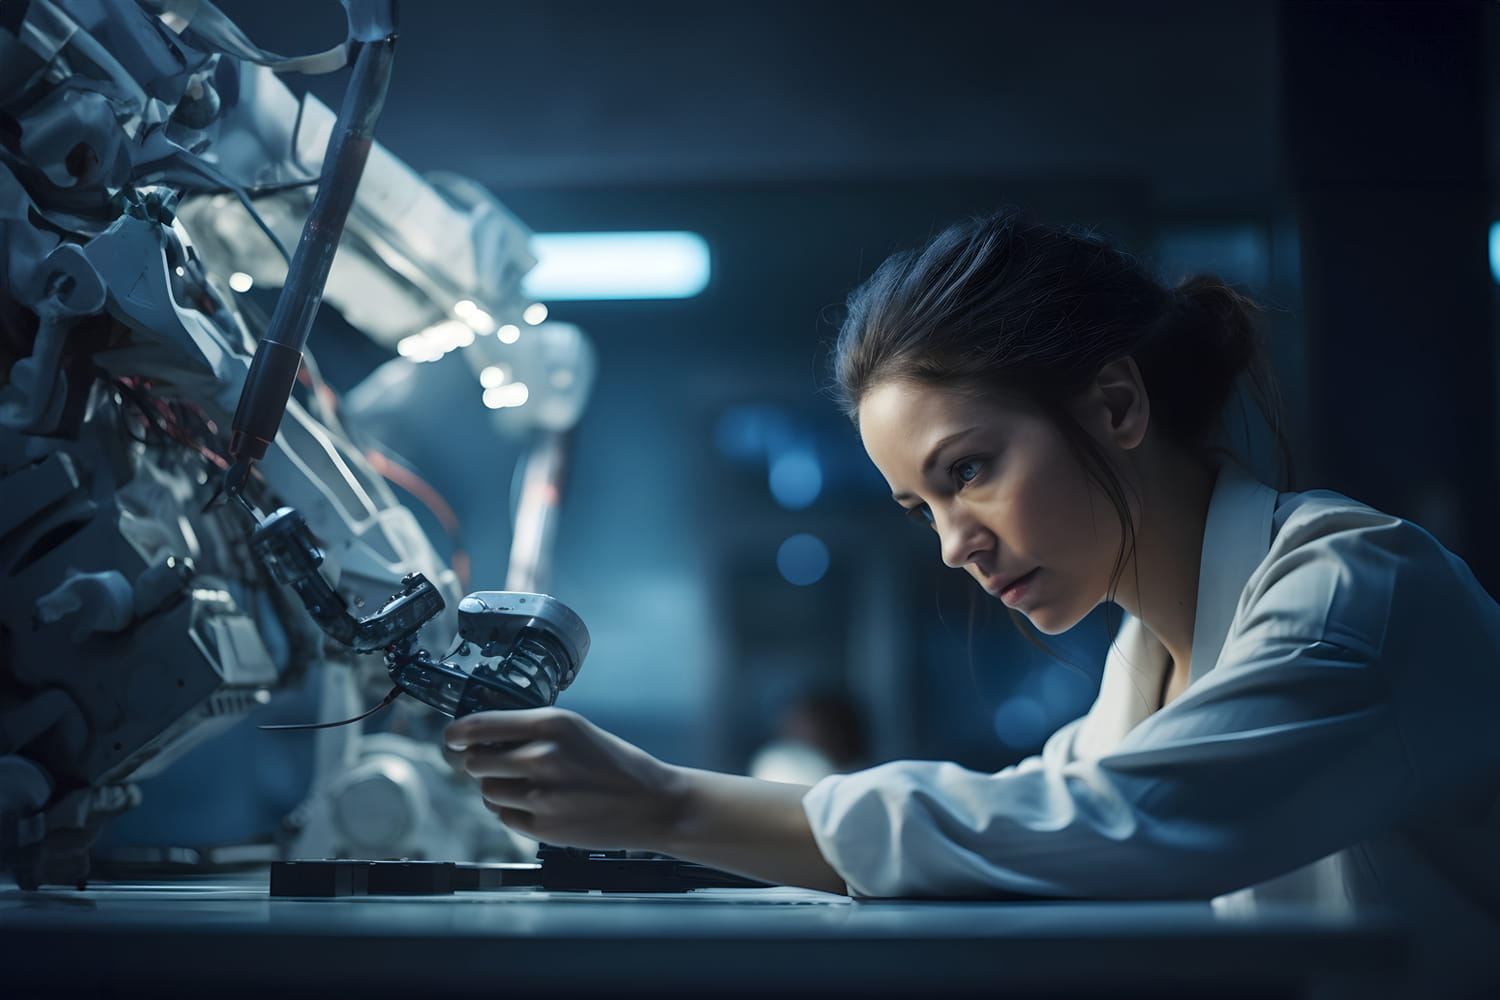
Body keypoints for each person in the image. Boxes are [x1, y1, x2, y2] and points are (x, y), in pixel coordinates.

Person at [444, 212, 1500, 989]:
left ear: (1118, 403)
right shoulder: (1152, 654)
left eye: (969, 470)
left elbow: (1119, 823)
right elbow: (1030, 824)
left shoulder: (1351, 591)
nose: (955, 544)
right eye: (920, 506)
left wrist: (671, 804)